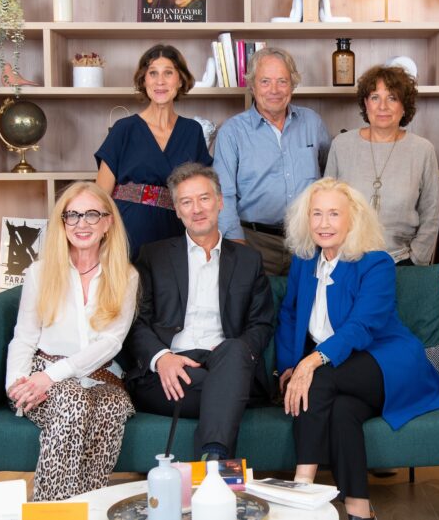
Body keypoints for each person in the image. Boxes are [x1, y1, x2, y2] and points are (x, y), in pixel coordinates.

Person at [276, 178, 439, 520]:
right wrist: (288, 366)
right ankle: (358, 511)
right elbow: (290, 313)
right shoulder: (304, 260)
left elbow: (361, 326)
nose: (324, 223)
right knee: (342, 412)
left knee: (317, 379)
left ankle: (301, 490)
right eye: (316, 214)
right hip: (341, 369)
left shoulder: (376, 262)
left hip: (388, 361)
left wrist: (309, 364)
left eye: (334, 214)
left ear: (352, 219)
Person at [124, 163, 273, 461]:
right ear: (177, 211)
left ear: (220, 202)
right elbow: (136, 321)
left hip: (226, 362)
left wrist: (236, 356)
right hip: (169, 369)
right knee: (228, 391)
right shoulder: (153, 256)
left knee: (234, 352)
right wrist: (161, 358)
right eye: (186, 202)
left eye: (204, 198)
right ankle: (215, 463)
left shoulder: (248, 260)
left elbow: (262, 324)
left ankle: (211, 461)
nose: (197, 209)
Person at [4, 181, 139, 501]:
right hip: (42, 371)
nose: (82, 224)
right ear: (62, 223)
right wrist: (17, 384)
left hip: (99, 375)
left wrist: (53, 376)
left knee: (114, 406)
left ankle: (88, 506)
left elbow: (111, 342)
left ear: (108, 223)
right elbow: (24, 337)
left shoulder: (126, 275)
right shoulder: (40, 272)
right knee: (73, 400)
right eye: (73, 215)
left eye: (92, 215)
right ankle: (52, 511)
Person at [214, 47, 332, 275]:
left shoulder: (313, 123)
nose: (274, 90)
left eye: (282, 81)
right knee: (257, 299)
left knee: (310, 298)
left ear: (293, 84)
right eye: (265, 81)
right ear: (252, 85)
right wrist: (236, 242)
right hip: (254, 241)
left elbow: (330, 179)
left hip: (309, 240)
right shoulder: (232, 132)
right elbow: (223, 195)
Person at [96, 44, 212, 261]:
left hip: (177, 231)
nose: (160, 81)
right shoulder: (124, 129)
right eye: (153, 73)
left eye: (168, 73)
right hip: (128, 230)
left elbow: (203, 191)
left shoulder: (192, 131)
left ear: (180, 80)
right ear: (143, 80)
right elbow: (100, 197)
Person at [327, 65, 439, 266]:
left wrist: (416, 260)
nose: (383, 106)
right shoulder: (341, 145)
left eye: (392, 98)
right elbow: (327, 206)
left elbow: (431, 214)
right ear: (366, 103)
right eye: (375, 97)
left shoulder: (423, 150)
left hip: (401, 262)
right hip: (346, 260)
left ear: (404, 106)